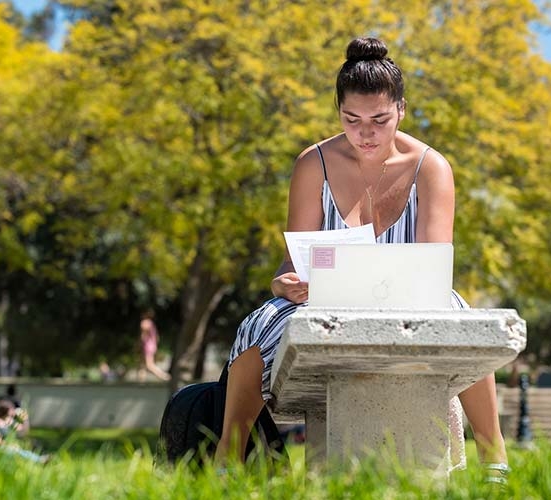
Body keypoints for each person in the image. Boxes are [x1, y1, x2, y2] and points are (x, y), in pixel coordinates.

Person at [215, 36, 509, 481]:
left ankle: (495, 460)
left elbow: (433, 265)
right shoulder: (313, 162)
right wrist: (284, 284)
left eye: (379, 119)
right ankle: (227, 457)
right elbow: (289, 264)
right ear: (339, 113)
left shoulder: (431, 167)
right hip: (320, 300)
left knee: (459, 310)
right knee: (259, 323)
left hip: (412, 298)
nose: (365, 133)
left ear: (401, 110)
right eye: (351, 119)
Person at [138, 310, 170, 381]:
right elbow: (157, 338)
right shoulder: (152, 324)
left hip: (147, 346)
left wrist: (140, 344)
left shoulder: (145, 323)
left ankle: (166, 377)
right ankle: (141, 382)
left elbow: (143, 336)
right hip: (152, 346)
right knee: (142, 364)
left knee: (149, 365)